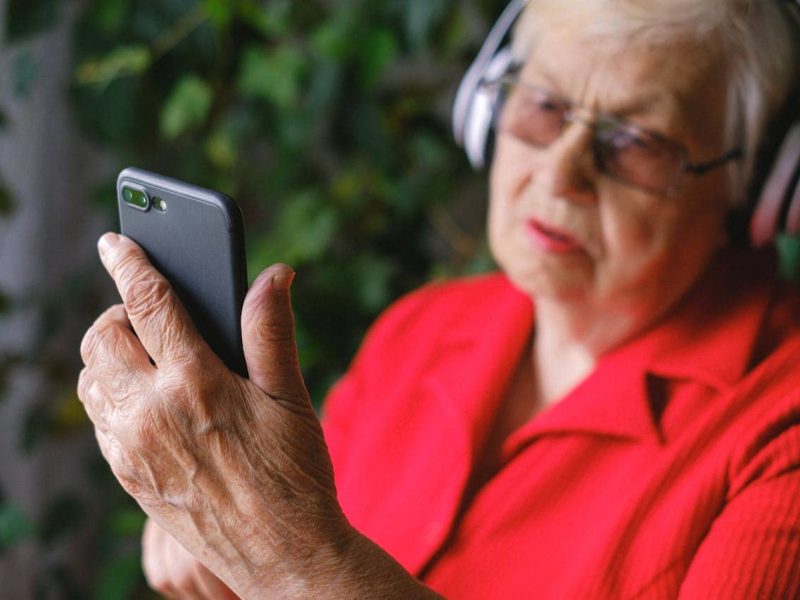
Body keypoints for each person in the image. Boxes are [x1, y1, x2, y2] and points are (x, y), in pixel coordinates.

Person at [78, 0, 800, 597]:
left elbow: (303, 564)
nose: (560, 173)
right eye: (543, 105)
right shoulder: (421, 330)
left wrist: (282, 553)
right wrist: (228, 547)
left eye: (638, 141)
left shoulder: (781, 434)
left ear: (758, 193)